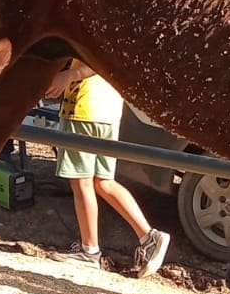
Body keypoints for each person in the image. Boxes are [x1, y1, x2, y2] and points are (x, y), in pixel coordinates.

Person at [46, 61, 170, 277]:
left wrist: (70, 75)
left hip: (83, 109)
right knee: (102, 182)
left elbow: (94, 61)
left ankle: (89, 251)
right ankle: (149, 236)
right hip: (108, 113)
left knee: (81, 183)